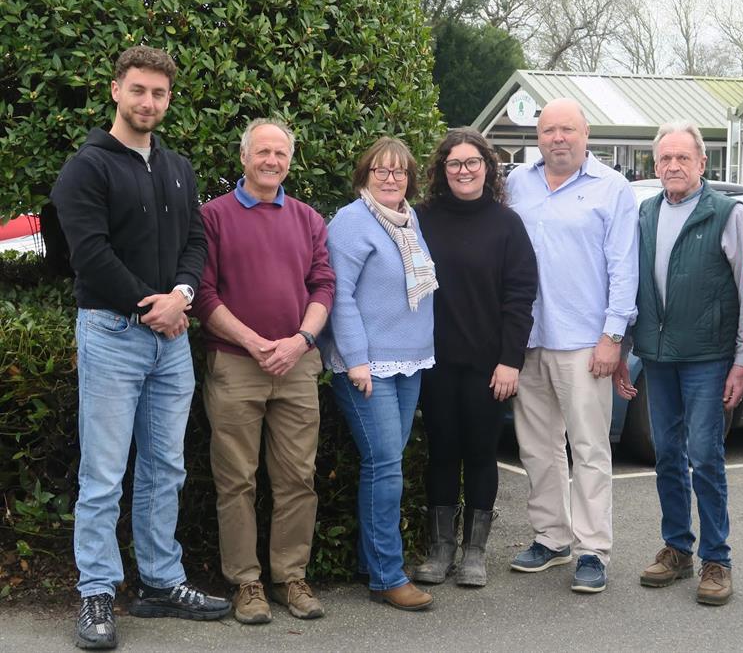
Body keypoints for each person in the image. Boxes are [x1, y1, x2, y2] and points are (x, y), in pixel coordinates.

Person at [51, 46, 229, 650]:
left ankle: (159, 581)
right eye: (138, 90)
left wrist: (179, 295)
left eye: (158, 93)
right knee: (102, 475)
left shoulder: (178, 167)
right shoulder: (87, 167)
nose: (148, 102)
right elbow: (89, 255)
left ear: (168, 99)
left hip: (170, 341)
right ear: (115, 91)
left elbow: (195, 241)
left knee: (165, 468)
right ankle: (97, 592)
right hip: (112, 335)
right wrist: (149, 306)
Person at [192, 119, 335, 624]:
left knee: (298, 477)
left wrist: (300, 341)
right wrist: (254, 342)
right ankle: (246, 583)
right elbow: (202, 295)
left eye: (280, 153)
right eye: (262, 152)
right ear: (244, 157)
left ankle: (290, 577)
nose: (271, 161)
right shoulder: (213, 216)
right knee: (236, 479)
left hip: (296, 364)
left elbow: (323, 286)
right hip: (235, 365)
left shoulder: (308, 218)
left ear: (289, 160)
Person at [615, 120, 743, 606]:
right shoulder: (646, 212)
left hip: (707, 358)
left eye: (682, 158)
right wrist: (624, 348)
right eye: (664, 159)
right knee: (667, 457)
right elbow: (633, 288)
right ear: (655, 166)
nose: (673, 166)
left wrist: (742, 360)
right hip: (658, 356)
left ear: (702, 163)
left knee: (706, 457)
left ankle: (718, 558)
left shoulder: (726, 213)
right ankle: (678, 548)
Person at [506, 98, 638, 594]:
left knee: (588, 448)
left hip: (586, 343)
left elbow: (624, 268)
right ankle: (551, 536)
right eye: (548, 131)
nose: (557, 138)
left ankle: (592, 550)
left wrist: (612, 337)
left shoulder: (612, 189)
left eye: (567, 129)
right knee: (537, 448)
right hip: (528, 339)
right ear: (537, 137)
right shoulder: (517, 183)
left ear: (586, 135)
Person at [413, 128, 537, 587]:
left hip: (490, 365)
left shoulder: (507, 225)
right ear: (442, 172)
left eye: (472, 162)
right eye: (454, 164)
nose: (464, 171)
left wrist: (511, 360)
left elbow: (520, 297)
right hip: (435, 361)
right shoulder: (419, 220)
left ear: (488, 167)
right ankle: (441, 549)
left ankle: (474, 553)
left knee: (482, 455)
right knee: (442, 454)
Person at [321, 136, 438, 611]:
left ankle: (373, 565)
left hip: (411, 361)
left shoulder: (410, 222)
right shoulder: (351, 222)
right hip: (368, 366)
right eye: (381, 171)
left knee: (386, 465)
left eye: (400, 172)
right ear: (364, 176)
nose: (392, 180)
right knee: (386, 465)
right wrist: (356, 360)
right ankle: (388, 576)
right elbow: (340, 296)